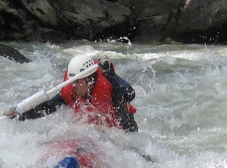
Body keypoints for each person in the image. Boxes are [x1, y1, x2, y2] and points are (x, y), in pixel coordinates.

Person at [7, 54, 138, 133]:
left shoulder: (108, 82)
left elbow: (130, 94)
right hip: (97, 132)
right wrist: (21, 115)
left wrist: (111, 76)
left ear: (90, 80)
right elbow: (48, 107)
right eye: (72, 81)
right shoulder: (69, 90)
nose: (74, 86)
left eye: (78, 82)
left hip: (121, 131)